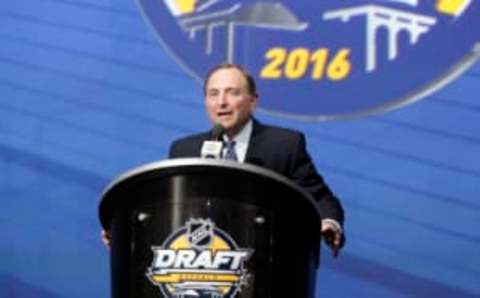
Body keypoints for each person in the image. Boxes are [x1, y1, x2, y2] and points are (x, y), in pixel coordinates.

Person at [168, 63, 345, 256]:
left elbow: (318, 197)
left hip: (266, 259)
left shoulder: (284, 146)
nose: (221, 102)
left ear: (252, 100)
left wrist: (328, 223)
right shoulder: (185, 150)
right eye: (213, 94)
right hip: (203, 264)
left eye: (232, 93)